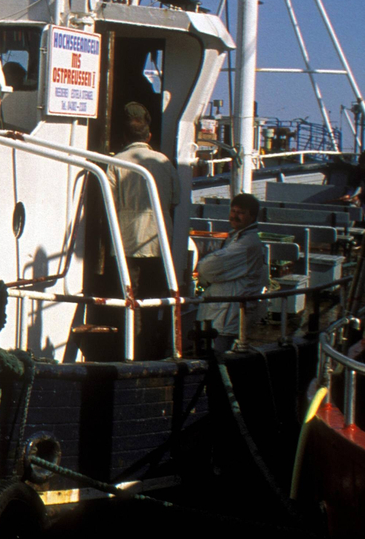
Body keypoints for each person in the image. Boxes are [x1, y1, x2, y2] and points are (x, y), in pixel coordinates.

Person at [112, 101, 179, 357]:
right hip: (159, 242)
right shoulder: (165, 162)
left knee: (131, 299)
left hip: (127, 244)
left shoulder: (116, 162)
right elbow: (175, 200)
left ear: (124, 136)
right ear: (149, 136)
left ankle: (132, 350)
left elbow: (108, 203)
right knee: (154, 298)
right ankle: (151, 349)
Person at [196, 192, 269, 348]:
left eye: (241, 213)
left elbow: (207, 267)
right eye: (233, 211)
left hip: (228, 316)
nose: (235, 216)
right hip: (221, 313)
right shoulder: (235, 237)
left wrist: (207, 275)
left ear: (252, 216)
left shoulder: (247, 244)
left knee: (219, 356)